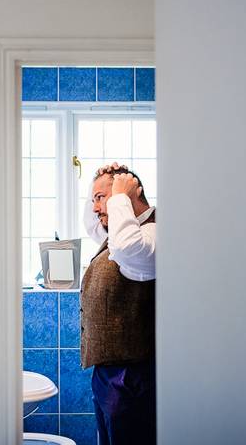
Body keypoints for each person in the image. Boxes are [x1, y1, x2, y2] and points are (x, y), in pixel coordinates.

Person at [80, 162, 156, 445]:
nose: (96, 207)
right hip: (108, 375)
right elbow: (91, 222)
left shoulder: (152, 233)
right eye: (94, 199)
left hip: (133, 377)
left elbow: (127, 248)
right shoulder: (115, 232)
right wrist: (100, 184)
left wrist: (122, 194)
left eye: (102, 198)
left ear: (127, 196)